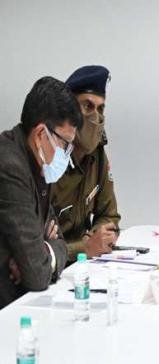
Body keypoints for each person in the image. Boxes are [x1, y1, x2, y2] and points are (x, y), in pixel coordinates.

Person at [0, 76, 82, 310]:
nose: (67, 154)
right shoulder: (10, 166)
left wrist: (46, 251)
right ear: (40, 134)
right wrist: (38, 257)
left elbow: (60, 242)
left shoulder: (39, 163)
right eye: (65, 144)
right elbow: (36, 273)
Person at [51, 65, 120, 262]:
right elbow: (33, 249)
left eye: (100, 108)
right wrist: (84, 247)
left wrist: (99, 237)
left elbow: (109, 215)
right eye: (87, 106)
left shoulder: (97, 155)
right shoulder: (50, 158)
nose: (95, 117)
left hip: (83, 265)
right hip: (49, 267)